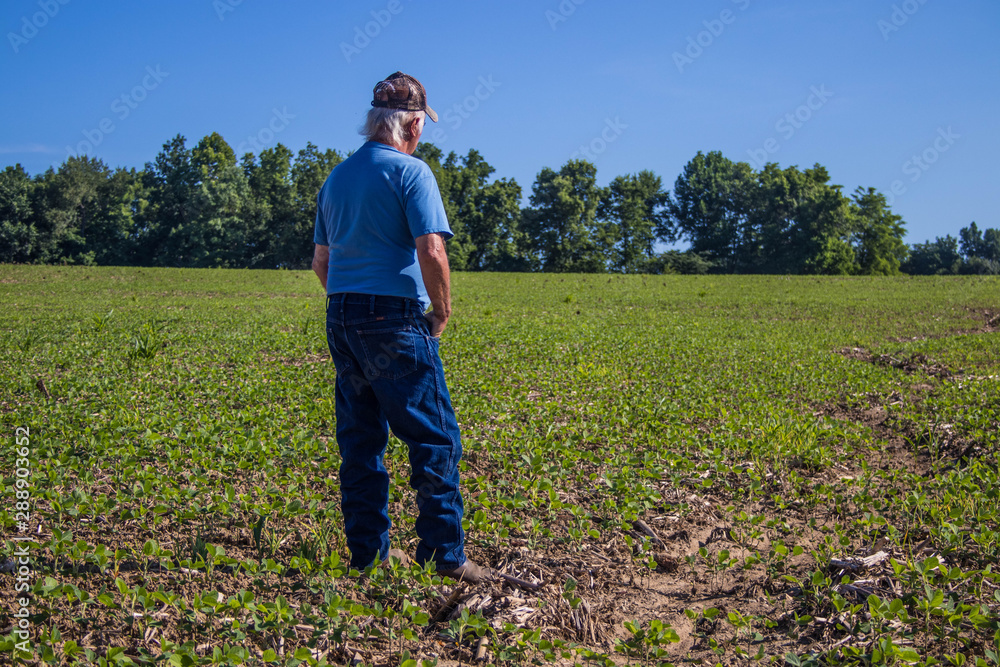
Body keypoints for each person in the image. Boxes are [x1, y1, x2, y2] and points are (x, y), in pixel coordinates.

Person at [311, 72, 491, 584]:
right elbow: (432, 248)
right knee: (434, 436)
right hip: (393, 316)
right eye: (422, 125)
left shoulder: (337, 177)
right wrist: (442, 309)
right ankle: (445, 556)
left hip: (342, 313)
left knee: (361, 438)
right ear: (412, 124)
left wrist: (351, 303)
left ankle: (369, 557)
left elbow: (321, 261)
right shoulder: (412, 173)